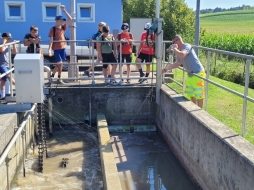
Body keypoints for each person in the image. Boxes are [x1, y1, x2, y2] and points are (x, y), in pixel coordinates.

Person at [162, 35, 205, 108]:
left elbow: (182, 55)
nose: (172, 45)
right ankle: (194, 108)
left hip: (198, 73)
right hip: (190, 74)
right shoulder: (179, 50)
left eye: (173, 43)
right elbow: (178, 63)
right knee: (191, 93)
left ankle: (199, 111)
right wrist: (166, 69)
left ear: (177, 41)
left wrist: (175, 49)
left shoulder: (186, 46)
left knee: (199, 94)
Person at [48, 5, 72, 84]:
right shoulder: (53, 29)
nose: (62, 22)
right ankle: (52, 76)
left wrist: (64, 10)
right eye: (60, 20)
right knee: (59, 63)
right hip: (56, 48)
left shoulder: (63, 27)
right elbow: (51, 39)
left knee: (60, 64)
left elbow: (70, 19)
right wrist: (49, 50)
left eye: (62, 21)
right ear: (56, 20)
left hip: (63, 47)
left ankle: (58, 78)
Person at [0, 33, 17, 104]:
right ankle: (21, 89)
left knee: (3, 81)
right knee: (10, 78)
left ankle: (2, 97)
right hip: (1, 65)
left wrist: (13, 44)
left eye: (10, 38)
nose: (9, 40)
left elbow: (15, 52)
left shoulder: (8, 45)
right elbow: (2, 50)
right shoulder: (2, 45)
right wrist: (4, 41)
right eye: (8, 38)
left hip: (7, 65)